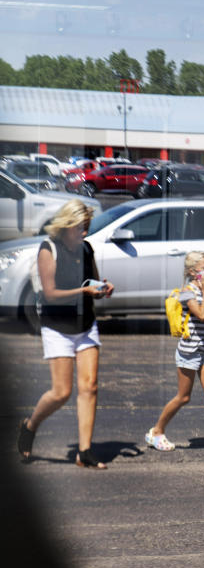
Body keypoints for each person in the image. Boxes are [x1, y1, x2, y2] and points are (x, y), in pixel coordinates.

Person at [16, 199, 114, 469]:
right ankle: (30, 425)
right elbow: (50, 294)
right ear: (67, 225)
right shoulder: (48, 248)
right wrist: (83, 292)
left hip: (85, 325)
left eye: (87, 226)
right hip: (57, 327)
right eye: (80, 227)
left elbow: (94, 280)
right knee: (61, 392)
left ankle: (85, 451)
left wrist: (104, 288)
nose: (84, 231)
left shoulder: (86, 248)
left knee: (89, 387)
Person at [145, 251, 204, 460]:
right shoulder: (186, 292)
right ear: (193, 272)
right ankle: (156, 431)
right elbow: (202, 316)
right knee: (183, 397)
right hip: (188, 352)